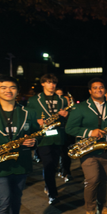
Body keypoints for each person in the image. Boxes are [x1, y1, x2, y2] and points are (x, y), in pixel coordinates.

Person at [65, 78, 107, 214]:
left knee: (103, 180)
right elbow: (70, 128)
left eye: (101, 88)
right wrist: (89, 132)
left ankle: (102, 206)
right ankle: (90, 209)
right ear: (90, 91)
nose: (99, 90)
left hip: (106, 149)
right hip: (88, 150)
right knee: (92, 180)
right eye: (95, 88)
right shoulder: (80, 108)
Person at [0, 76, 38, 214]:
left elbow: (40, 134)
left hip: (21, 164)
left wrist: (34, 141)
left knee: (15, 201)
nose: (8, 90)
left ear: (17, 91)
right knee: (3, 203)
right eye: (3, 87)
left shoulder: (28, 113)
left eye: (12, 87)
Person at [27, 74, 69, 204]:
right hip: (43, 137)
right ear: (43, 84)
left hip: (57, 136)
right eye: (49, 82)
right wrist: (36, 121)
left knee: (54, 165)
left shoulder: (62, 100)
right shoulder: (34, 100)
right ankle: (52, 193)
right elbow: (28, 118)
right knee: (48, 164)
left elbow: (68, 118)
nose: (52, 85)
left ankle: (49, 184)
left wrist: (66, 115)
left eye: (54, 83)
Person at [55, 88, 73, 182]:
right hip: (55, 133)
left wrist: (67, 115)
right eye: (57, 94)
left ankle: (66, 172)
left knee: (66, 154)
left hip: (67, 134)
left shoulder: (70, 108)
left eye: (61, 94)